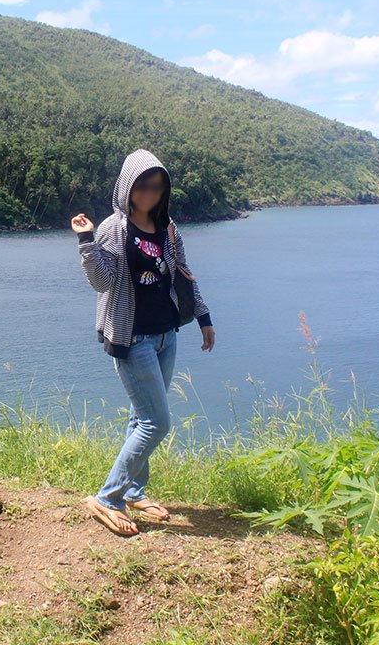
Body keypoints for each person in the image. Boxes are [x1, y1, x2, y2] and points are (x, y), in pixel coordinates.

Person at [70, 148, 215, 536]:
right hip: (132, 337)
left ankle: (133, 490)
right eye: (142, 185)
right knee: (156, 422)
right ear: (128, 186)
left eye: (157, 186)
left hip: (168, 334)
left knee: (141, 417)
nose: (149, 193)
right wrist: (85, 242)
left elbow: (184, 276)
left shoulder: (168, 228)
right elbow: (102, 281)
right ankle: (107, 498)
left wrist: (203, 317)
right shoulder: (112, 230)